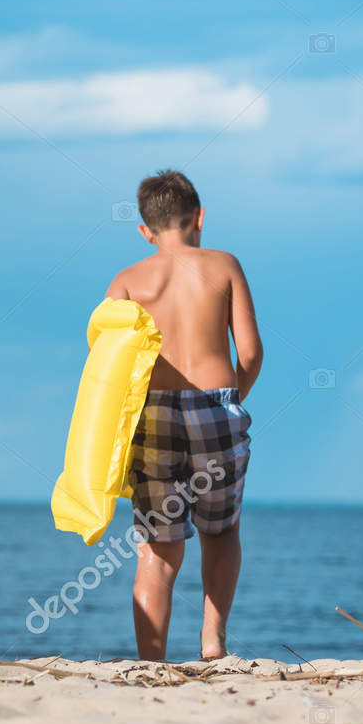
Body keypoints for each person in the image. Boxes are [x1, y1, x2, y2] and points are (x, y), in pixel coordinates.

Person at [105, 170, 261, 661]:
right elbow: (252, 353)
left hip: (153, 412)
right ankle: (212, 641)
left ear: (145, 232)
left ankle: (152, 660)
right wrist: (235, 399)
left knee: (157, 545)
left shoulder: (127, 281)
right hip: (215, 404)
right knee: (221, 530)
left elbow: (109, 366)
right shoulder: (224, 265)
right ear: (200, 216)